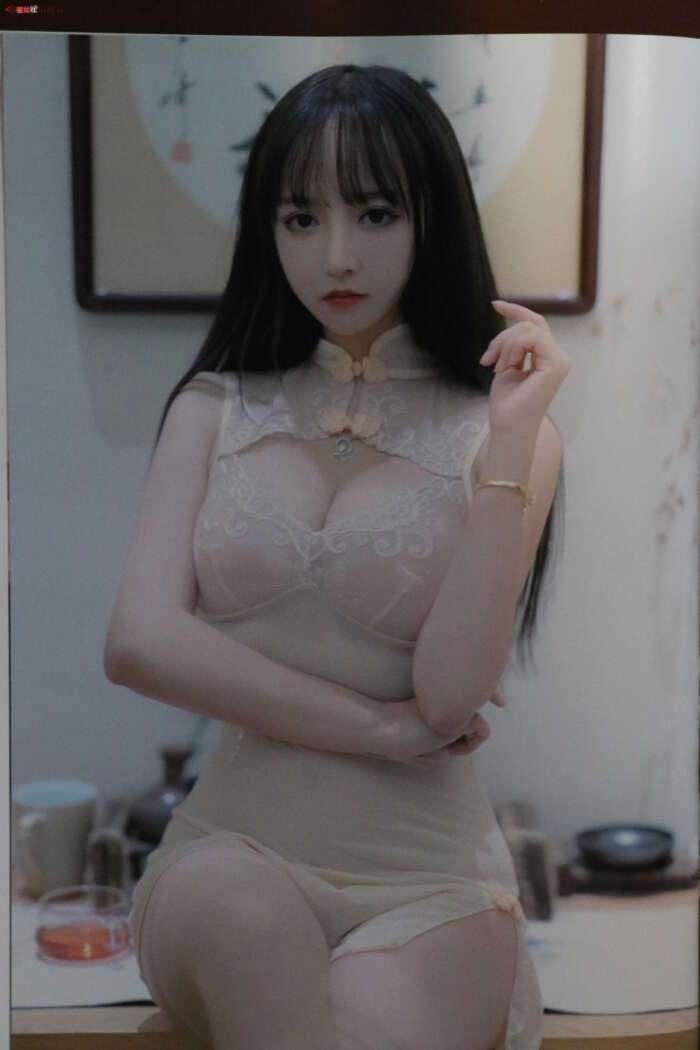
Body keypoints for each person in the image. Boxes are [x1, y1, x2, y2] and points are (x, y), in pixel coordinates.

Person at [104, 63, 570, 1050]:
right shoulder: (214, 406)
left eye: (374, 213)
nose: (336, 255)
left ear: (432, 218)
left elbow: (448, 696)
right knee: (246, 916)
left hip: (430, 878)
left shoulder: (505, 434)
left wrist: (512, 442)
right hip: (231, 847)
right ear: (266, 229)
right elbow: (138, 641)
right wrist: (372, 730)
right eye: (300, 218)